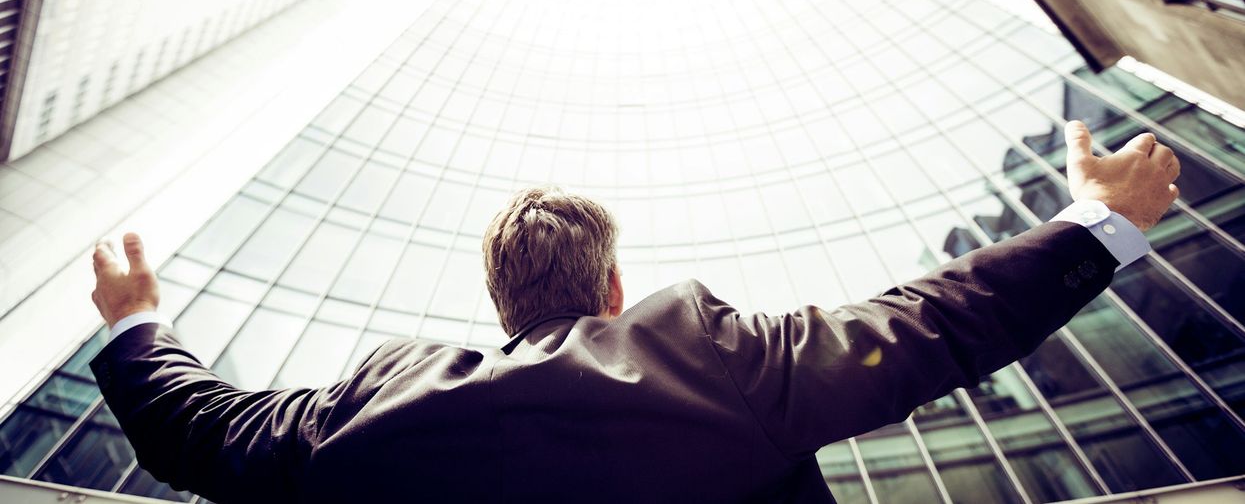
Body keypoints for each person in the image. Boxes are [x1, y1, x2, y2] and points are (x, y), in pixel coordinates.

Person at [88, 120, 1180, 503]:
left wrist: (139, 321)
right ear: (612, 290)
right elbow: (929, 323)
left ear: (500, 306)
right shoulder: (706, 358)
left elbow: (200, 432)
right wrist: (1098, 222)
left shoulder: (371, 410)